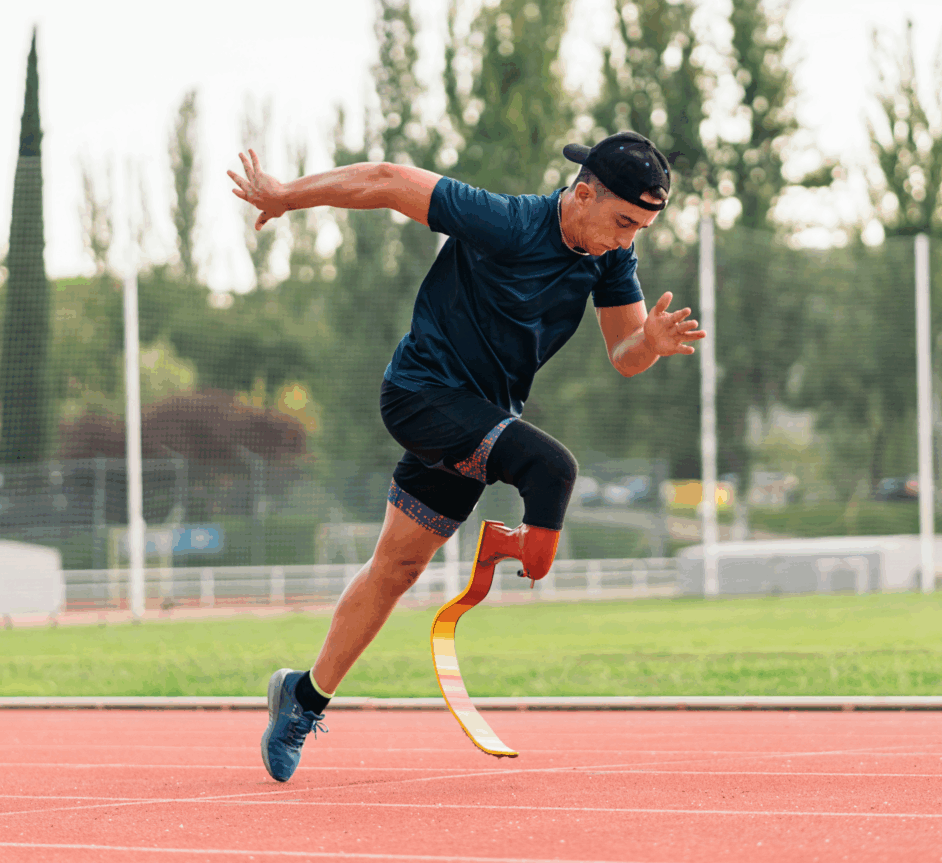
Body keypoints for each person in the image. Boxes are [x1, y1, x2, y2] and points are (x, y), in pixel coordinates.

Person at [227, 131, 706, 782]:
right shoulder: (507, 223)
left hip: (477, 424)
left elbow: (625, 355)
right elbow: (388, 179)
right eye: (624, 222)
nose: (628, 239)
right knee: (551, 469)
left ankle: (301, 696)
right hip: (422, 396)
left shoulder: (611, 259)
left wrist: (648, 340)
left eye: (642, 228)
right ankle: (506, 550)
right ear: (584, 194)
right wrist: (287, 195)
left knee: (395, 566)